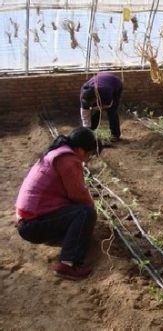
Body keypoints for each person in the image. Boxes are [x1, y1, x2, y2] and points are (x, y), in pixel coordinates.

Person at [15, 127, 99, 280]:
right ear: (80, 150)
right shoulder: (68, 160)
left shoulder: (57, 153)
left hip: (27, 220)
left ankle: (68, 245)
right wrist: (91, 208)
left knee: (79, 214)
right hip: (33, 224)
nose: (88, 158)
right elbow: (78, 194)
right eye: (89, 154)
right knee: (85, 213)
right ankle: (67, 264)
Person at [80, 72, 123, 142]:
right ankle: (91, 133)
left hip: (114, 84)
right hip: (101, 80)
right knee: (96, 112)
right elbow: (85, 114)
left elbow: (109, 104)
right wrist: (87, 129)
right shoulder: (83, 94)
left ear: (95, 98)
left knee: (112, 112)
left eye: (91, 103)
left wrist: (98, 108)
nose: (89, 105)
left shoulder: (105, 91)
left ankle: (115, 135)